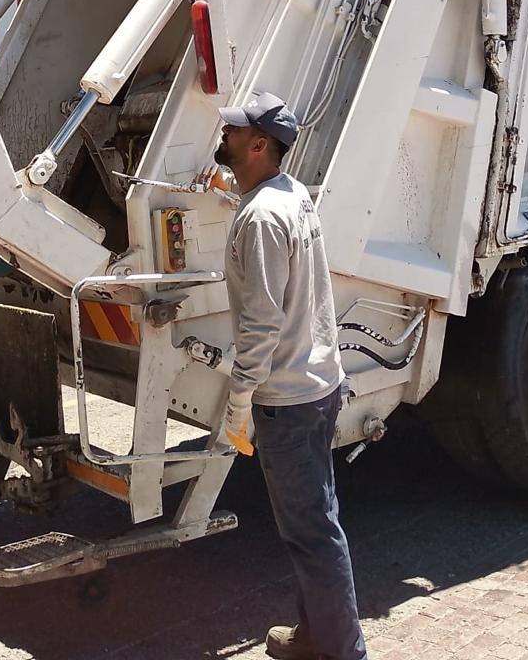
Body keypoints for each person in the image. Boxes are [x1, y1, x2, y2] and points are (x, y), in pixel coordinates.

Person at [214, 91, 367, 660]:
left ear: (259, 145)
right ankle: (316, 638)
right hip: (319, 385)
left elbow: (261, 323)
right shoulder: (290, 194)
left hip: (286, 399)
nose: (224, 138)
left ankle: (343, 652)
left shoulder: (261, 218)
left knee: (313, 532)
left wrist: (240, 398)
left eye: (234, 133)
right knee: (311, 525)